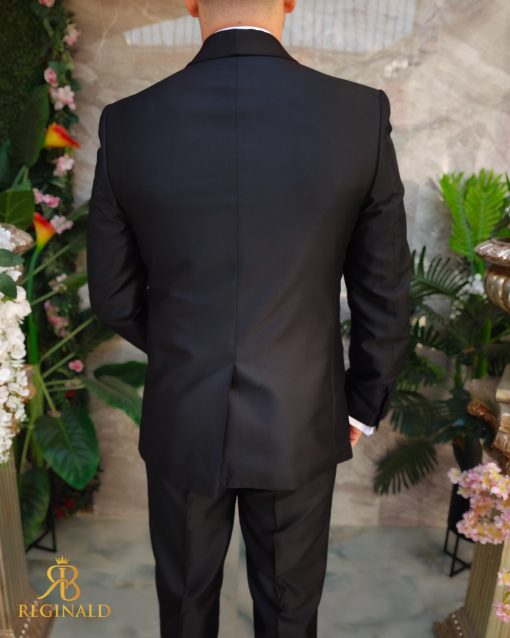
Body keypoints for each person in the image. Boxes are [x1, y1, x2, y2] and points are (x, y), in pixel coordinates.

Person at [86, 0, 413, 635]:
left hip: (184, 410)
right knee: (290, 614)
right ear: (289, 1)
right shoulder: (358, 114)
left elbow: (114, 295)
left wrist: (185, 352)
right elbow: (385, 289)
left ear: (191, 3)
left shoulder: (128, 122)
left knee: (184, 612)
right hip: (301, 411)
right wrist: (361, 404)